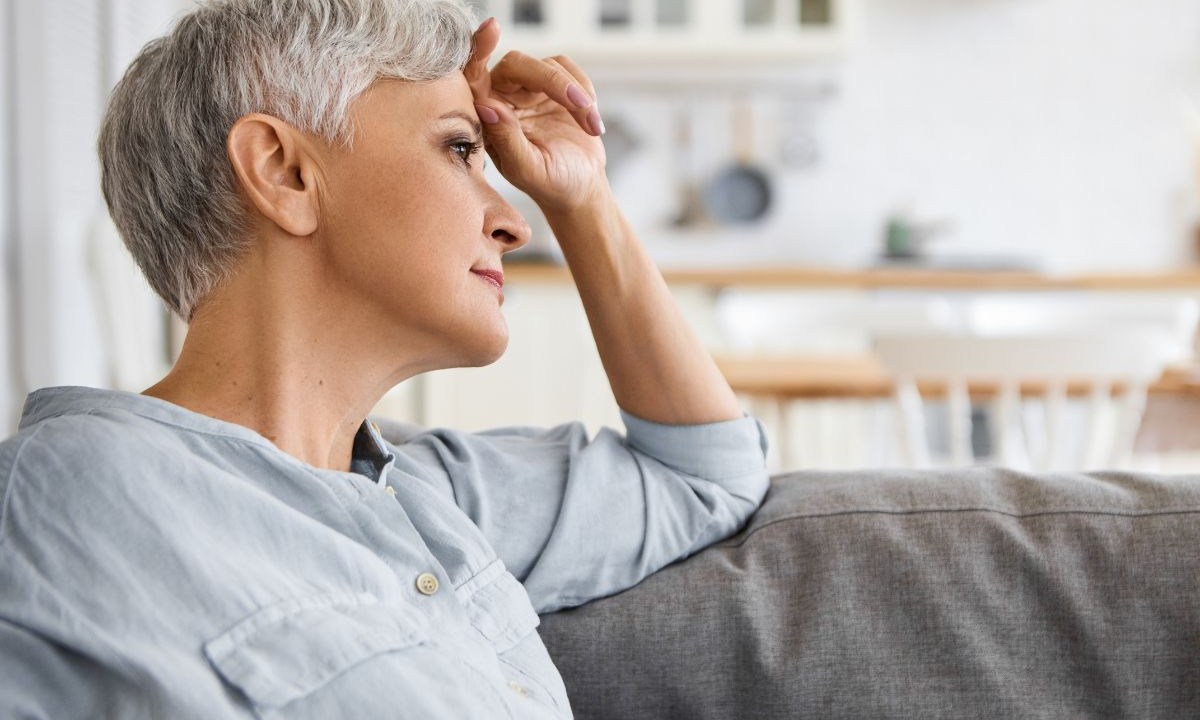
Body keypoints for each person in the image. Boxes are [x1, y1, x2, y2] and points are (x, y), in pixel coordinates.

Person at [0, 0, 769, 717]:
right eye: (461, 149)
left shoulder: (437, 497)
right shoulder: (65, 496)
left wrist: (585, 201)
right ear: (283, 171)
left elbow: (705, 477)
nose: (513, 222)